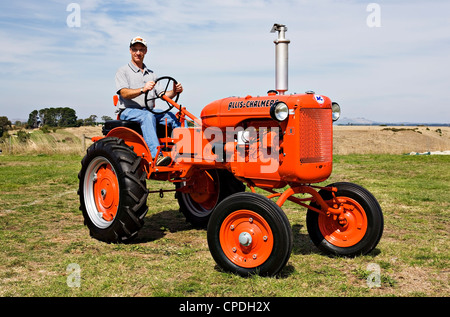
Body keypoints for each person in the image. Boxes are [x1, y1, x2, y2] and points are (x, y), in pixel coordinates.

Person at [115, 36, 183, 166]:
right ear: (130, 50)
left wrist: (174, 91)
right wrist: (142, 89)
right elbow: (124, 93)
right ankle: (157, 156)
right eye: (135, 49)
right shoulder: (123, 71)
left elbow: (163, 95)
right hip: (128, 111)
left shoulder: (151, 74)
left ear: (145, 51)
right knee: (147, 116)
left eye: (141, 50)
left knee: (172, 116)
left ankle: (182, 152)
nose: (138, 53)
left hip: (148, 110)